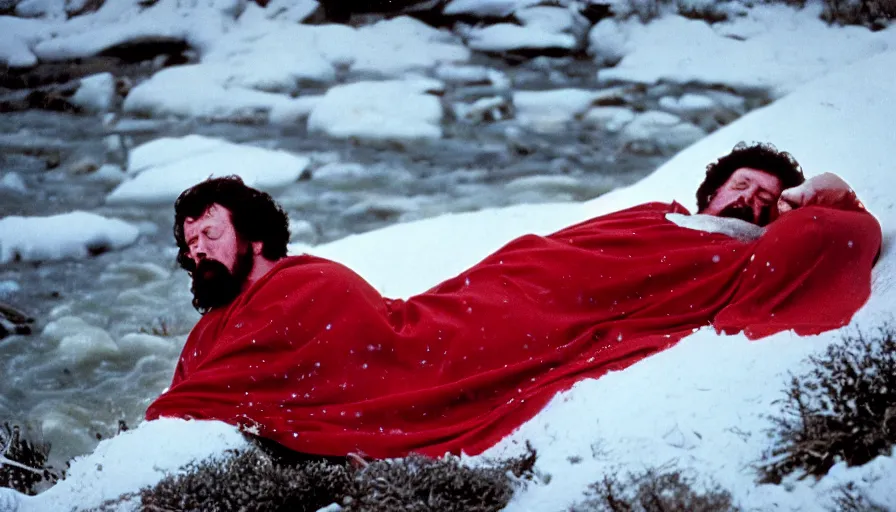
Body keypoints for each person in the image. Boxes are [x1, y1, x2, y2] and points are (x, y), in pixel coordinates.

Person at [146, 142, 881, 459]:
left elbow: (842, 231)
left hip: (540, 315)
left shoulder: (742, 245)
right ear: (709, 189)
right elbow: (555, 255)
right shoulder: (656, 215)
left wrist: (812, 192)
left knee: (401, 353)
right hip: (506, 289)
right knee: (390, 326)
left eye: (762, 193)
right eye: (738, 186)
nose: (749, 198)